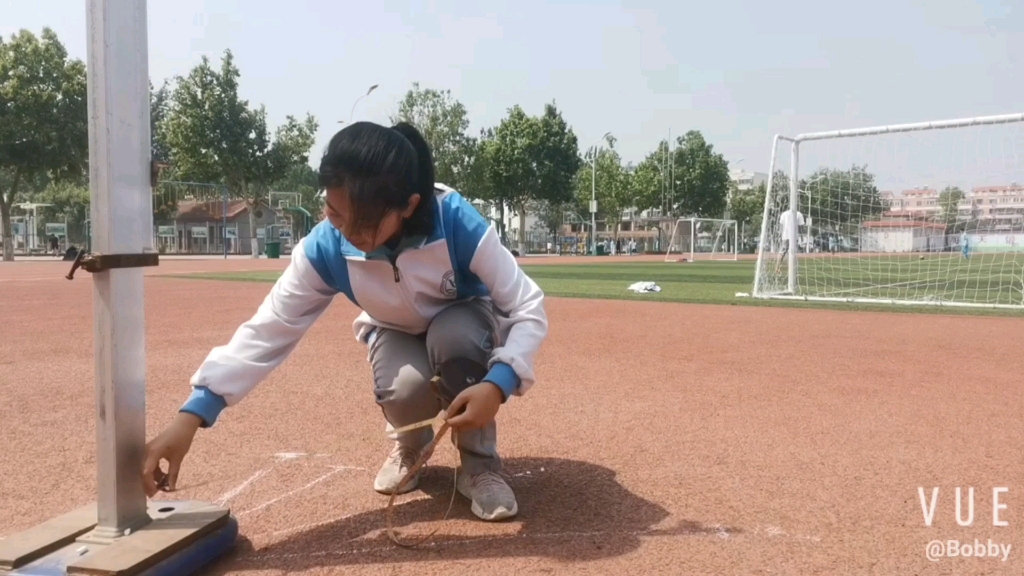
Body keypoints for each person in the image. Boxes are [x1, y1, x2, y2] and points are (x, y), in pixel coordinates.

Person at [140, 121, 548, 522]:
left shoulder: (456, 222)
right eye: (335, 215)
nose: (348, 233)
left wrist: (498, 383)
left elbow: (526, 306)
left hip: (462, 320)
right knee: (404, 389)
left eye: (365, 224)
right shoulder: (325, 247)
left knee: (457, 342)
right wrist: (192, 415)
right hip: (393, 328)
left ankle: (479, 466)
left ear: (408, 205)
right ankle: (410, 445)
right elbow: (271, 327)